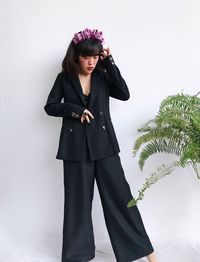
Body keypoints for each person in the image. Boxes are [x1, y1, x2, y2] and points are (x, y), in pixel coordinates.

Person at [44, 28, 158, 262]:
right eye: (87, 57)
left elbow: (124, 94)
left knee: (120, 197)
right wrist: (75, 111)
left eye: (96, 57)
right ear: (76, 55)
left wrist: (110, 62)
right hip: (75, 149)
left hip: (104, 145)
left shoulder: (103, 74)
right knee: (78, 203)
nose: (91, 62)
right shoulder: (64, 78)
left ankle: (145, 251)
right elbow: (51, 106)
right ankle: (77, 255)